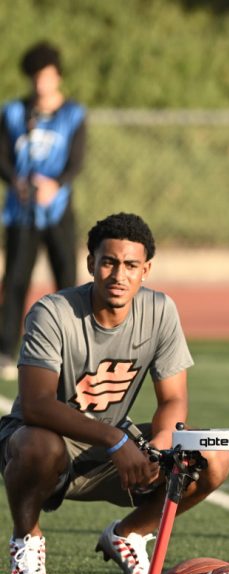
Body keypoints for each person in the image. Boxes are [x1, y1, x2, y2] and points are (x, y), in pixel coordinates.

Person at [0, 212, 229, 574]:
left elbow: (173, 399)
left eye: (130, 265)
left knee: (213, 456)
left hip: (110, 446)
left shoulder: (160, 311)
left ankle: (129, 534)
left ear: (146, 269)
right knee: (36, 444)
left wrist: (159, 445)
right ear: (91, 263)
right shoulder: (52, 312)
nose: (118, 275)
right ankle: (26, 537)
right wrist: (118, 442)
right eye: (108, 262)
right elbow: (37, 403)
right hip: (43, 441)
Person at [0, 41, 86, 381]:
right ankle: (5, 348)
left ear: (58, 77)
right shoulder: (14, 113)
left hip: (58, 210)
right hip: (22, 212)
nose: (41, 84)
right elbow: (3, 157)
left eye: (47, 77)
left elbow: (77, 160)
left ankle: (72, 347)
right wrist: (16, 182)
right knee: (16, 278)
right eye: (36, 77)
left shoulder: (73, 114)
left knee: (66, 278)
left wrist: (56, 184)